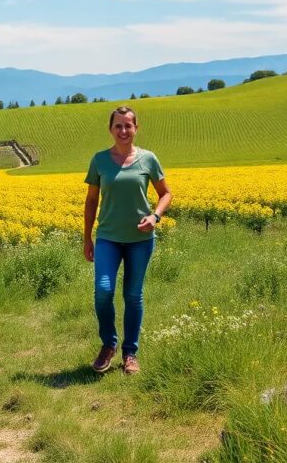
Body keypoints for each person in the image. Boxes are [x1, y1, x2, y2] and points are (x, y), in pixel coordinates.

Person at [83, 106, 172, 375]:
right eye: (118, 126)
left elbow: (166, 194)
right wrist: (87, 238)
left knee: (133, 295)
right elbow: (91, 201)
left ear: (136, 128)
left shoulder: (148, 159)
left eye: (128, 126)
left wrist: (155, 217)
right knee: (103, 291)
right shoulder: (99, 160)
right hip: (108, 237)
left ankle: (130, 353)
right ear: (111, 129)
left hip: (140, 239)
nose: (123, 131)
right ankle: (108, 344)